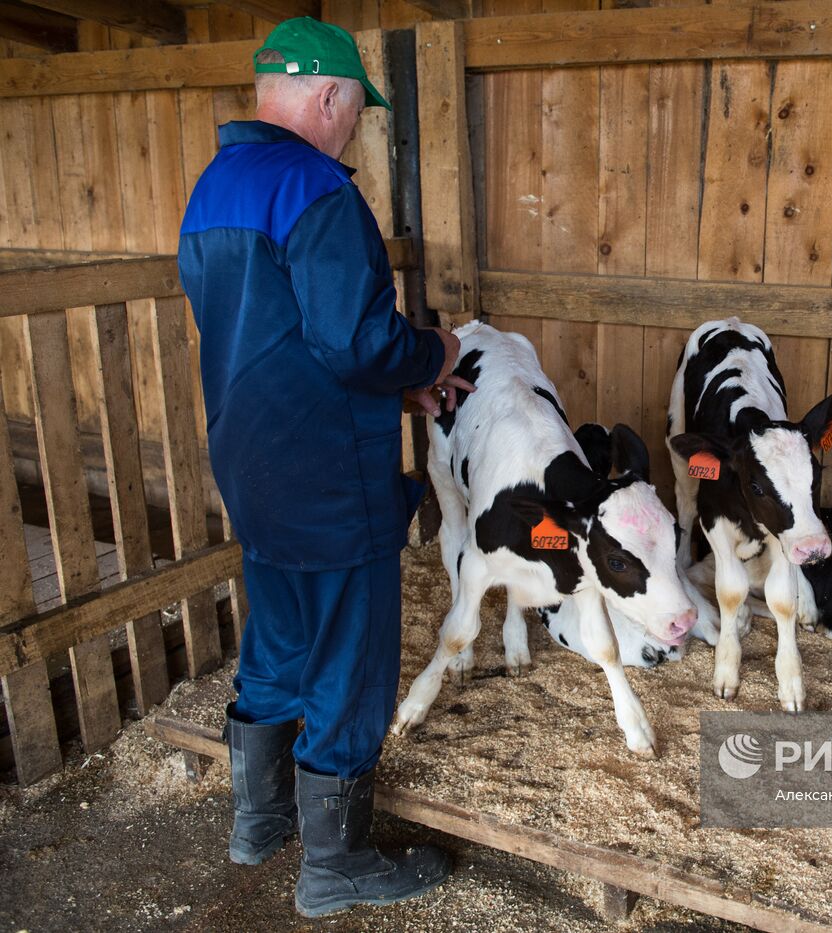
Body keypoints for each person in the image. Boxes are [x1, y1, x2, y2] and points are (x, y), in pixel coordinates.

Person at [177, 17, 471, 918]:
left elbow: (276, 337)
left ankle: (257, 822)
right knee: (349, 657)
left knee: (277, 638)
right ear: (330, 95)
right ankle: (336, 863)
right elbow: (355, 341)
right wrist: (432, 353)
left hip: (253, 461)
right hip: (331, 477)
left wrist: (394, 393)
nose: (353, 130)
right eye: (355, 113)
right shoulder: (316, 190)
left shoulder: (213, 188)